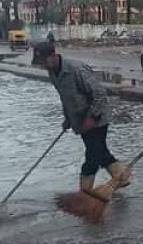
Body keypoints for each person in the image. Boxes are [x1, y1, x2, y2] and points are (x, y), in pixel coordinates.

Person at [34, 41, 129, 194]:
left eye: (44, 61)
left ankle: (84, 194)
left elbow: (99, 94)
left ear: (53, 55)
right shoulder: (53, 73)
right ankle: (121, 176)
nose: (43, 65)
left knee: (92, 157)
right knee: (100, 152)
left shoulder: (76, 70)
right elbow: (65, 98)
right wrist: (67, 119)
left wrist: (92, 117)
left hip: (97, 118)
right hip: (80, 121)